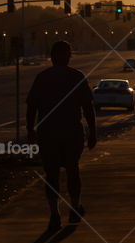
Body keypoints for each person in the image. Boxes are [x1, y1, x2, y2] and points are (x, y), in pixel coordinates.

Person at [26, 40, 97, 231]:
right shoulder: (77, 76)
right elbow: (87, 107)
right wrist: (92, 131)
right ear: (69, 57)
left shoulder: (42, 78)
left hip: (48, 133)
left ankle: (54, 214)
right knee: (73, 170)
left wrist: (30, 130)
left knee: (52, 175)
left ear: (51, 57)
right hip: (71, 132)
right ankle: (74, 206)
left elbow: (32, 106)